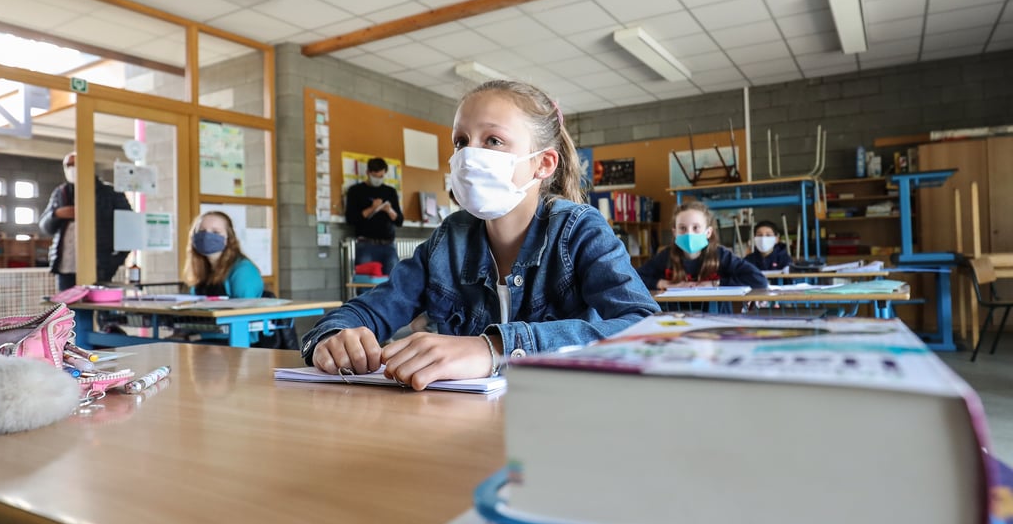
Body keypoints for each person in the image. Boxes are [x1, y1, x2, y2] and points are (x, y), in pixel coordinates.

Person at [302, 79, 658, 390]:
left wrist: (495, 348)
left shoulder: (580, 230)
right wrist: (334, 338)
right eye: (461, 141)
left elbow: (648, 332)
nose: (470, 154)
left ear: (542, 163)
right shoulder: (448, 241)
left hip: (561, 423)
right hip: (461, 429)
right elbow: (368, 311)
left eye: (493, 140)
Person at [38, 151, 132, 290]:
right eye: (67, 165)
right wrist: (56, 214)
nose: (71, 169)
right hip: (65, 267)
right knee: (67, 309)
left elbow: (129, 228)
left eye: (75, 164)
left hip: (98, 266)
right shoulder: (60, 193)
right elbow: (45, 227)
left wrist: (113, 261)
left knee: (93, 308)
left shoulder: (109, 193)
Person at [636, 201, 768, 291]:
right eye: (682, 228)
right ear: (674, 232)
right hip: (676, 318)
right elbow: (635, 278)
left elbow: (758, 280)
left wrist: (715, 283)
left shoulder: (720, 255)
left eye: (696, 228)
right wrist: (662, 283)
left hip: (717, 318)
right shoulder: (666, 256)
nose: (689, 233)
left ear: (708, 232)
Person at [345, 156, 404, 276]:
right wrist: (372, 208)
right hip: (366, 244)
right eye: (375, 176)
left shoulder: (390, 192)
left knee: (392, 282)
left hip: (388, 244)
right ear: (368, 173)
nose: (378, 179)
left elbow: (399, 221)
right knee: (366, 285)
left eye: (381, 176)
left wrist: (389, 210)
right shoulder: (356, 191)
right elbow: (351, 219)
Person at [183, 210, 264, 298]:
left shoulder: (243, 269)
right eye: (202, 231)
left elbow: (246, 307)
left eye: (216, 232)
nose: (206, 236)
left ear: (228, 238)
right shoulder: (201, 269)